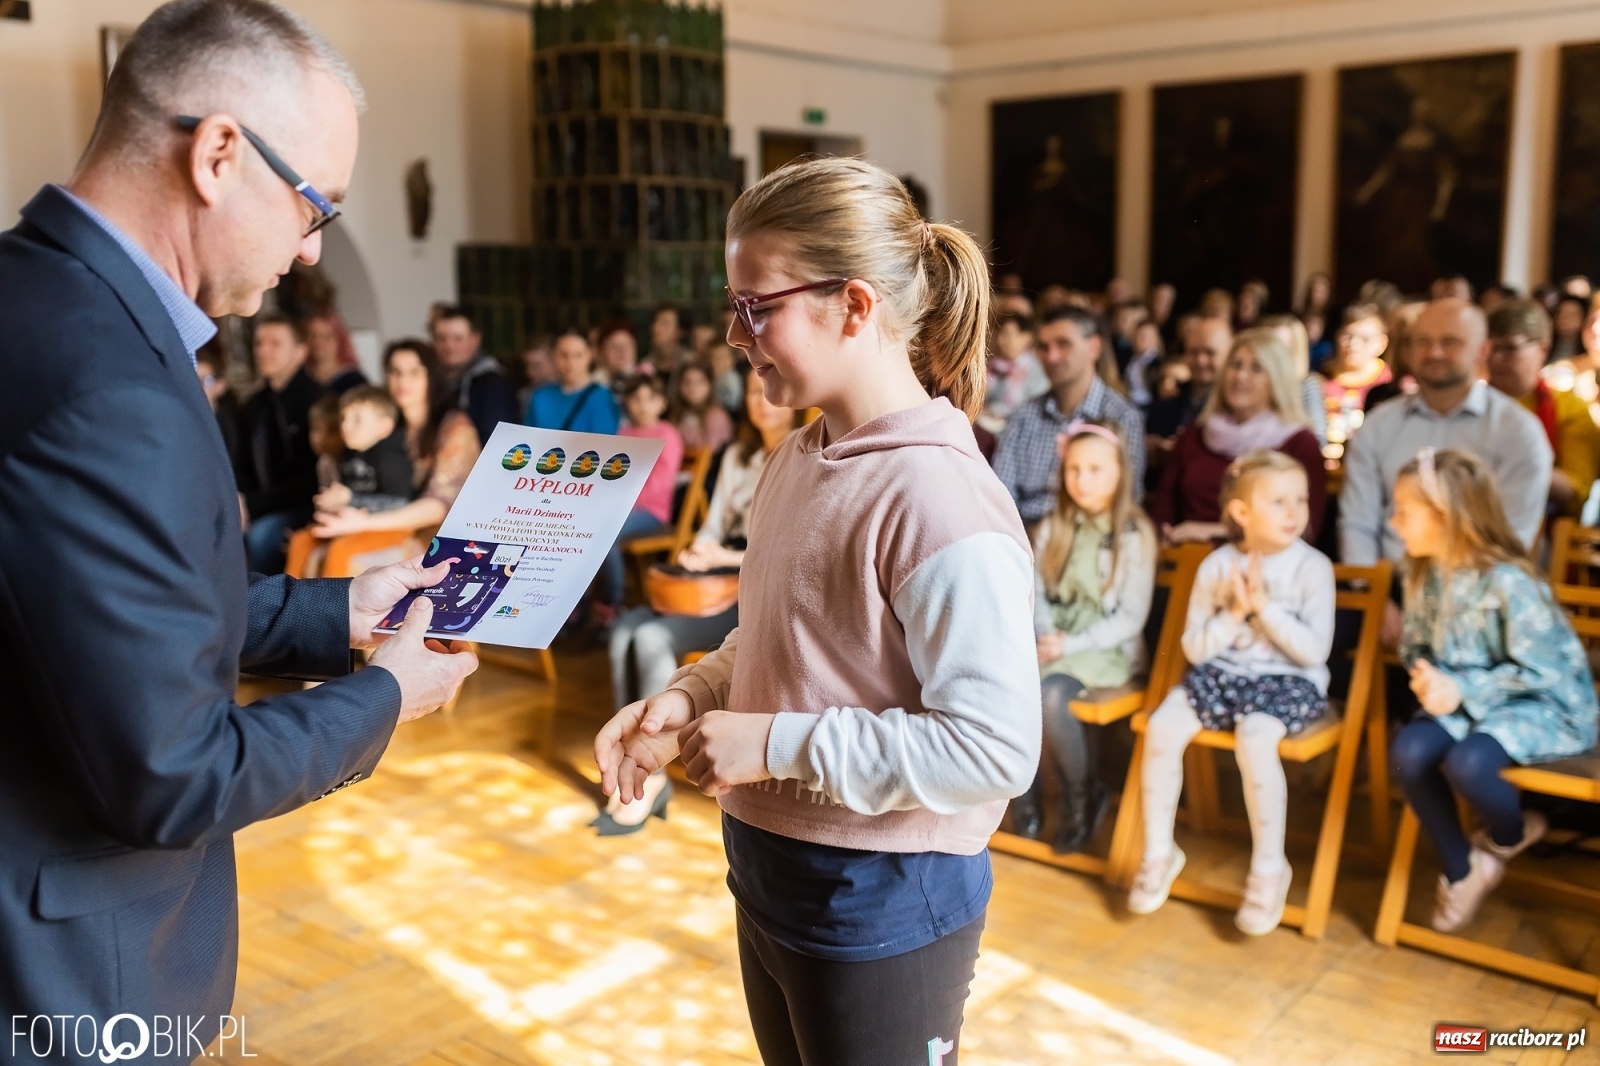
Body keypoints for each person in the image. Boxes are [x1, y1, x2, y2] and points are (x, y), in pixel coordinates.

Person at [0, 0, 478, 1050]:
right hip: (69, 981)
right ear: (219, 154)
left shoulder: (28, 290)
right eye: (316, 206)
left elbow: (96, 608)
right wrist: (386, 695)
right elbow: (172, 775)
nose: (310, 252)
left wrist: (337, 611)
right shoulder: (113, 383)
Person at [594, 157, 1039, 1065]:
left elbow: (994, 749)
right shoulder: (796, 457)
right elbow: (779, 638)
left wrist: (774, 745)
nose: (734, 333)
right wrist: (691, 697)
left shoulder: (937, 497)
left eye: (757, 306)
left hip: (884, 895)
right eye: (734, 304)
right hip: (772, 867)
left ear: (855, 305)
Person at [1388, 449, 1599, 932]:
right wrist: (1425, 674)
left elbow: (1546, 673)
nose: (1393, 522)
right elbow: (1415, 644)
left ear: (1446, 516)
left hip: (1543, 706)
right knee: (1408, 752)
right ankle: (1463, 871)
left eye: (1403, 511)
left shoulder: (1509, 582)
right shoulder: (1422, 573)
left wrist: (1460, 686)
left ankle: (1509, 835)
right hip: (1470, 705)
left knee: (1469, 763)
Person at [1130, 451, 1335, 936]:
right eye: (1279, 501)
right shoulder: (1218, 565)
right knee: (1162, 727)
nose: (1295, 511)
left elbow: (1314, 651)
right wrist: (1234, 613)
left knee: (1256, 736)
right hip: (1222, 675)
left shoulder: (1313, 567)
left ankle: (1269, 868)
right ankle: (1159, 852)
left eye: (1300, 499)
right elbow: (1195, 649)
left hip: (1289, 683)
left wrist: (1263, 607)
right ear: (1241, 512)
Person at [599, 371, 806, 835]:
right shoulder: (737, 454)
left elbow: (782, 554)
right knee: (623, 630)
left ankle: (650, 777)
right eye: (751, 391)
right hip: (710, 577)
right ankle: (627, 762)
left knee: (651, 637)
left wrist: (725, 558)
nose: (762, 399)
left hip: (747, 591)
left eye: (767, 390)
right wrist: (699, 551)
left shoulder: (802, 455)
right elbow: (712, 526)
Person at [1339, 298, 1552, 599]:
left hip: (1479, 591)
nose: (1434, 352)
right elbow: (1357, 523)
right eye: (1423, 342)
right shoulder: (1378, 425)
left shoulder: (1518, 431)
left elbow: (1511, 538)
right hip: (1388, 588)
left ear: (1483, 351)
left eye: (1450, 342)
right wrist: (1373, 598)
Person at [1013, 421, 1155, 854]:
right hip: (1055, 643)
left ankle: (1082, 796)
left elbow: (1130, 617)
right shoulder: (1054, 527)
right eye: (1074, 469)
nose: (1082, 480)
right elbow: (1037, 593)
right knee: (1012, 687)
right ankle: (1023, 795)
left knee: (1052, 697)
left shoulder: (1133, 534)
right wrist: (1045, 635)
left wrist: (1068, 645)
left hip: (1103, 650)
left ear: (1120, 472)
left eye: (1095, 470)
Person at [1149, 329, 1326, 545]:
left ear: (1277, 379)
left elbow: (1306, 527)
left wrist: (1215, 532)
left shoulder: (1300, 443)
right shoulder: (1194, 435)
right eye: (1235, 365)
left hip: (1265, 559)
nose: (1241, 376)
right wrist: (1166, 535)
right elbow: (1163, 508)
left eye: (1256, 368)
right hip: (1186, 554)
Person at [311, 339, 482, 541]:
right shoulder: (385, 424)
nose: (403, 381)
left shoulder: (455, 427)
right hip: (385, 524)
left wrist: (364, 523)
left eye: (414, 372)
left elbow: (439, 506)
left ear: (432, 377)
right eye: (395, 372)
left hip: (446, 535)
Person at [994, 304, 1146, 526]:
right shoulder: (1023, 416)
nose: (1052, 357)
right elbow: (1000, 498)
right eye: (1043, 347)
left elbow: (1127, 501)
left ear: (1094, 348)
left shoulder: (1121, 417)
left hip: (1091, 534)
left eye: (1063, 344)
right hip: (1024, 536)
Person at [1485, 299, 1600, 520]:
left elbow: (1577, 491)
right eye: (1489, 348)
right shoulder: (1466, 404)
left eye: (1509, 348)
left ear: (1542, 349)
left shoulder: (1570, 408)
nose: (1495, 359)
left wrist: (1515, 464)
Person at [235, 312, 326, 572]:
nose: (263, 351)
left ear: (300, 352)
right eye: (259, 343)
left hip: (306, 506)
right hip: (259, 505)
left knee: (262, 536)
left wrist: (253, 506)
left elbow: (315, 476)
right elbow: (241, 463)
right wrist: (240, 501)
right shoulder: (254, 405)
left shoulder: (318, 401)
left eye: (275, 343)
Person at [595, 371, 683, 625]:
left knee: (606, 534)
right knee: (588, 529)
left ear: (661, 402)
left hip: (652, 512)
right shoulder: (624, 433)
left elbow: (662, 482)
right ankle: (584, 604)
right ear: (627, 403)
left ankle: (613, 603)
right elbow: (610, 475)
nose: (642, 405)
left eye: (649, 398)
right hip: (619, 510)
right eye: (635, 399)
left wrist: (624, 503)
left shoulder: (667, 433)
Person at [431, 304, 519, 445]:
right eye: (441, 338)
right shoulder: (430, 382)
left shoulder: (493, 385)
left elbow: (497, 443)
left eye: (458, 338)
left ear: (475, 340)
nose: (449, 346)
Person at [321, 385, 414, 515]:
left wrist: (350, 499)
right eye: (343, 418)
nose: (345, 426)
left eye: (357, 420)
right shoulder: (347, 453)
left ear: (384, 427)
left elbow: (399, 502)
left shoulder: (389, 456)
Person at [1145, 314, 1231, 443]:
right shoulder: (1168, 400)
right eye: (1193, 352)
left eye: (1210, 352)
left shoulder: (1237, 407)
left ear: (1229, 354)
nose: (1200, 361)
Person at [524, 326, 621, 434]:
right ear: (553, 355)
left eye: (578, 355)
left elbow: (605, 439)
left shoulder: (602, 397)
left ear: (591, 355)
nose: (570, 362)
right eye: (563, 355)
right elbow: (528, 437)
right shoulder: (540, 397)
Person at [1323, 303, 1393, 448]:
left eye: (1365, 339)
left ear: (1381, 343)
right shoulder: (1320, 379)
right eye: (1347, 336)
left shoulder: (1388, 383)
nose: (1353, 345)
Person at [1260, 312, 1328, 446]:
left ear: (1295, 350)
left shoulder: (1307, 386)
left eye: (1281, 346)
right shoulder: (1251, 384)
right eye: (1268, 345)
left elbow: (1318, 439)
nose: (1273, 353)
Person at [978, 310, 1048, 434]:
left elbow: (1036, 409)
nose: (1001, 339)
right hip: (984, 426)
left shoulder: (1036, 372)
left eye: (1008, 334)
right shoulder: (992, 366)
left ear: (1026, 338)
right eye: (1000, 333)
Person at [195, 338, 241, 466]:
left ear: (221, 385)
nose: (199, 387)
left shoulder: (230, 424)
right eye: (195, 380)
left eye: (206, 380)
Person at [672, 360, 734, 453]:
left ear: (710, 384)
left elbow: (712, 452)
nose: (692, 387)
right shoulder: (677, 415)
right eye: (687, 382)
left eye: (699, 382)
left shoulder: (717, 416)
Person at [304, 308, 366, 394]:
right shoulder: (300, 377)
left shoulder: (354, 381)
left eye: (326, 336)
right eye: (313, 335)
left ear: (340, 340)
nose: (318, 342)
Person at [596, 320, 639, 388]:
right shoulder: (593, 385)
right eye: (615, 346)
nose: (621, 351)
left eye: (627, 345)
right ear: (601, 351)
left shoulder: (646, 380)